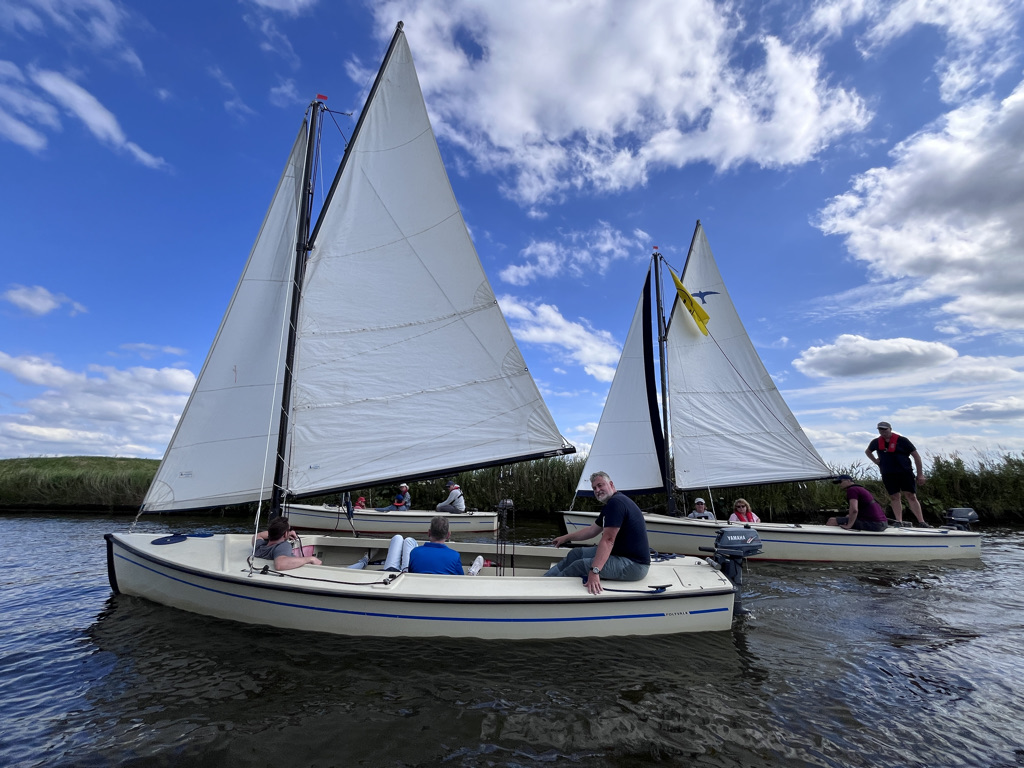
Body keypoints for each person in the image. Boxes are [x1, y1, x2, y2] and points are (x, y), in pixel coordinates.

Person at [546, 471, 650, 595]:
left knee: (580, 565)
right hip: (618, 554)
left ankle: (549, 589)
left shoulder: (616, 503)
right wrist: (566, 537)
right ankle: (545, 579)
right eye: (594, 488)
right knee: (575, 553)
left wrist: (595, 571)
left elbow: (608, 540)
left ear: (611, 484)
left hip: (634, 565)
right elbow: (592, 530)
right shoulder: (612, 504)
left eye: (600, 485)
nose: (597, 490)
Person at [349, 517, 475, 575]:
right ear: (448, 535)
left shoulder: (416, 552)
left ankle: (366, 560)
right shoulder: (454, 556)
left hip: (400, 576)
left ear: (429, 533)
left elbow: (410, 573)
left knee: (401, 539)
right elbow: (461, 580)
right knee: (406, 540)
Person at [865, 421, 929, 526]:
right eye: (880, 429)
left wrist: (920, 474)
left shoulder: (902, 441)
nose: (883, 431)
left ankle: (921, 521)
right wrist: (875, 461)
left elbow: (916, 456)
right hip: (888, 473)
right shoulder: (876, 442)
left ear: (890, 429)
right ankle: (899, 521)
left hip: (905, 472)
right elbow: (867, 451)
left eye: (885, 429)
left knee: (911, 495)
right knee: (894, 496)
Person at [253, 517, 322, 571]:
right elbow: (280, 565)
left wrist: (282, 532)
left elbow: (258, 535)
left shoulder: (259, 546)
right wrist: (310, 559)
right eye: (289, 529)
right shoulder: (283, 545)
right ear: (285, 534)